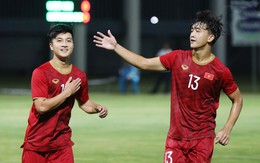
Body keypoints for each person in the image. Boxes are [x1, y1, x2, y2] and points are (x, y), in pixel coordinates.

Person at [93, 10, 243, 163]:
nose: (192, 34)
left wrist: (227, 128)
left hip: (202, 139)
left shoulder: (220, 71)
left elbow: (237, 99)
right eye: (192, 30)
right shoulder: (177, 57)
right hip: (175, 139)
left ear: (210, 37)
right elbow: (144, 63)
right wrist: (116, 46)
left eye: (198, 31)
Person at [21, 24, 108, 163]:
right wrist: (66, 93)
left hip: (62, 144)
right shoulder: (41, 72)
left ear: (73, 45)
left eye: (68, 40)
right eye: (59, 40)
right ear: (51, 46)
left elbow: (84, 102)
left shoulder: (79, 75)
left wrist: (97, 107)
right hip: (37, 143)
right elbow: (41, 107)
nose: (65, 44)